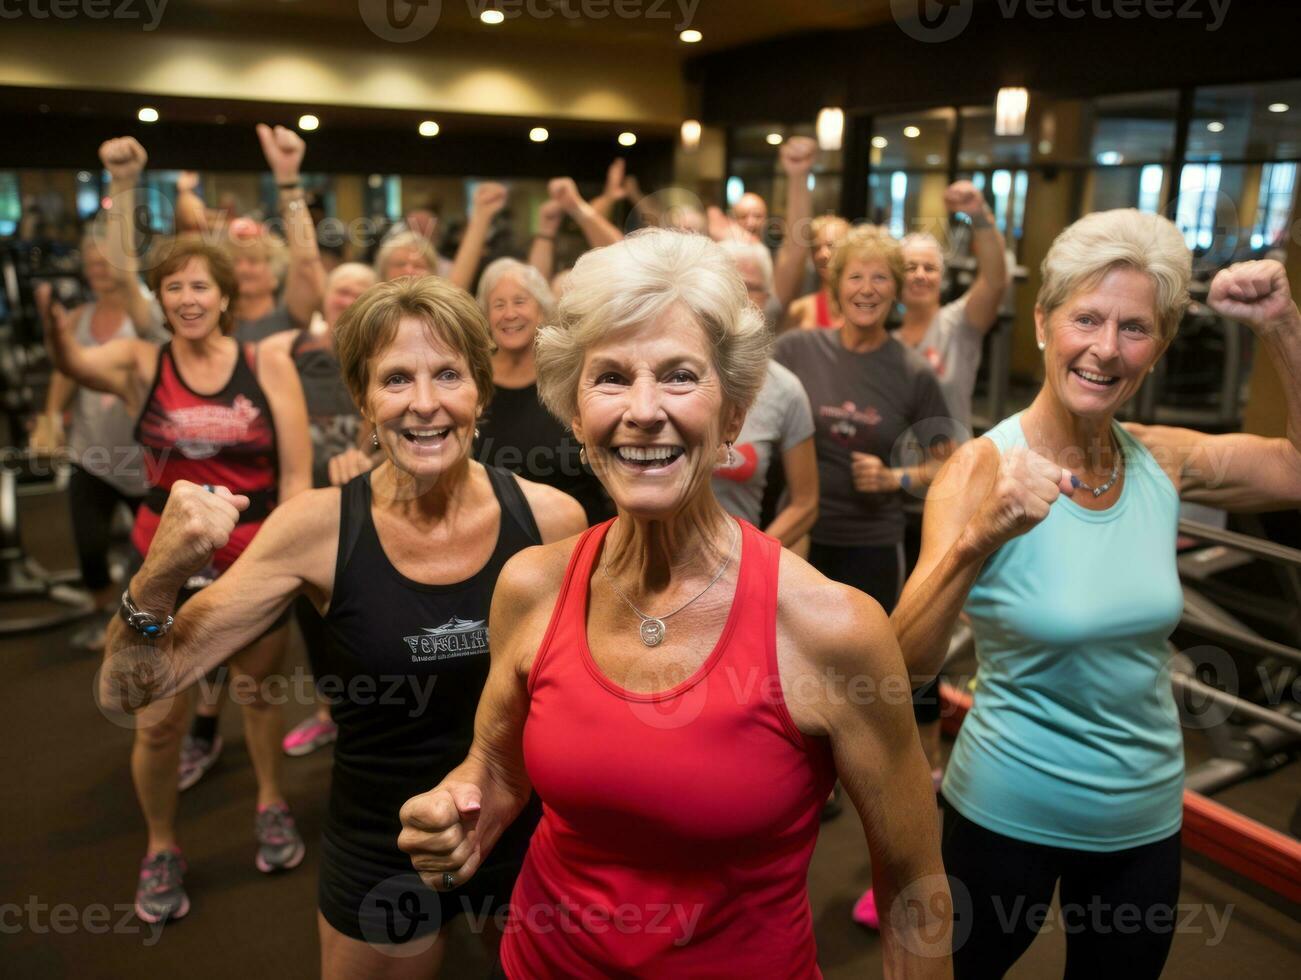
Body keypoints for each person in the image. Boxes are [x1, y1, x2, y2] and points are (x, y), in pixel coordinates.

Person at [396, 229, 951, 978]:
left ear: (732, 414)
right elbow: (494, 767)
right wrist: (458, 808)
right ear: (574, 410)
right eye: (612, 377)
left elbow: (914, 884)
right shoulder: (531, 586)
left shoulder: (829, 628)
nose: (644, 410)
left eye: (680, 376)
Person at [97, 275, 588, 976]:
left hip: (519, 828)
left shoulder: (550, 520)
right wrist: (159, 577)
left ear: (479, 391)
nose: (424, 403)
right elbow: (126, 691)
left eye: (447, 374)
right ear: (361, 398)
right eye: (395, 379)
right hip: (380, 843)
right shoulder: (315, 529)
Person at [896, 210, 1301, 978]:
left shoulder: (1162, 458)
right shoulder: (979, 470)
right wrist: (978, 538)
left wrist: (1281, 325)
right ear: (1043, 323)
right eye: (1085, 318)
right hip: (1003, 814)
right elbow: (904, 662)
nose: (1105, 349)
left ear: (1159, 345)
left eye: (1134, 328)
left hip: (1143, 821)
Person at [50, 143, 314, 922]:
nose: (188, 296)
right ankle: (161, 845)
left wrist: (282, 565)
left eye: (201, 284)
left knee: (259, 698)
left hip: (253, 562)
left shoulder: (268, 363)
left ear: (225, 296)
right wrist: (124, 188)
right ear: (159, 300)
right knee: (159, 718)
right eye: (174, 286)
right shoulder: (141, 360)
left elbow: (297, 477)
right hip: (162, 568)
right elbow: (72, 355)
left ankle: (270, 800)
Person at [263, 261, 379, 757]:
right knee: (311, 619)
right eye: (339, 290)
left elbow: (385, 430)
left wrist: (367, 456)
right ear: (324, 298)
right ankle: (328, 713)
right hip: (300, 500)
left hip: (364, 505)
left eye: (359, 291)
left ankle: (367, 718)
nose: (346, 298)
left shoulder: (380, 354)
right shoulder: (288, 350)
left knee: (359, 620)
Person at [31, 232, 166, 649]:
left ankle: (149, 626)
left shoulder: (146, 314)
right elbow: (65, 371)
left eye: (105, 261)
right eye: (91, 262)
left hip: (143, 459)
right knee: (89, 547)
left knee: (153, 553)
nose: (99, 269)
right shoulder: (80, 317)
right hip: (90, 453)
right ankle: (102, 619)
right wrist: (52, 414)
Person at [474, 257, 609, 525]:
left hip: (580, 535)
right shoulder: (472, 381)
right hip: (491, 534)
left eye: (520, 301)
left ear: (543, 310)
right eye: (498, 305)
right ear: (487, 316)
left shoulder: (568, 374)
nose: (509, 314)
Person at [715, 241, 819, 549]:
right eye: (730, 287)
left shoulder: (786, 389)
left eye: (752, 288)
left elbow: (805, 502)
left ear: (769, 299)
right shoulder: (672, 374)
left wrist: (753, 558)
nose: (742, 300)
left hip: (739, 566)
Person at [893, 181, 1008, 436]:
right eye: (910, 267)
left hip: (956, 467)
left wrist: (979, 215)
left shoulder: (958, 324)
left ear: (941, 279)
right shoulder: (887, 343)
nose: (920, 275)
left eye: (929, 268)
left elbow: (994, 280)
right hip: (898, 470)